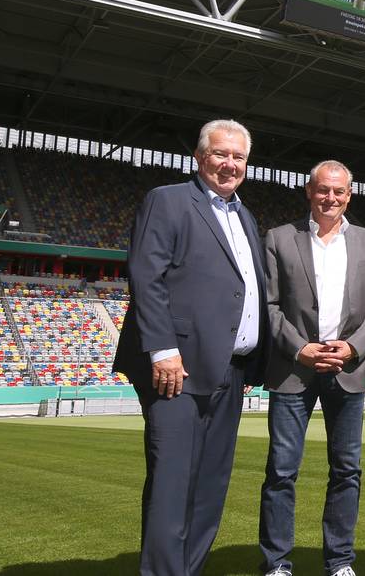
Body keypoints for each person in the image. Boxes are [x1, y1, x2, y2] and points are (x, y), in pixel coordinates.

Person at [113, 118, 268, 576]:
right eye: (220, 154)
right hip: (176, 368)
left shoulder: (246, 216)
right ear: (199, 158)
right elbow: (146, 275)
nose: (229, 164)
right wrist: (162, 349)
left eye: (238, 157)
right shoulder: (169, 201)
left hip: (232, 369)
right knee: (172, 483)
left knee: (210, 485)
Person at [258, 160, 365, 576]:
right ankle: (277, 562)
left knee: (347, 470)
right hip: (294, 369)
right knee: (281, 470)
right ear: (309, 191)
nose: (332, 198)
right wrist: (302, 349)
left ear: (349, 194)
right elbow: (270, 305)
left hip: (347, 368)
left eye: (340, 191)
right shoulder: (279, 238)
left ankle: (340, 561)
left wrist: (351, 348)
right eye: (323, 190)